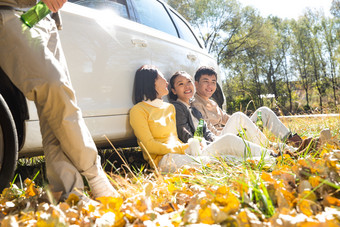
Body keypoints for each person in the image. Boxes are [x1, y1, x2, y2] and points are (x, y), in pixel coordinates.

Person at [0, 0, 118, 201]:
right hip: (9, 10)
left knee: (54, 107)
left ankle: (70, 193)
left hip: (44, 16)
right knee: (53, 85)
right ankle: (95, 175)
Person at [129, 65, 279, 173]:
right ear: (151, 82)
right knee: (216, 161)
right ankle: (265, 163)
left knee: (228, 141)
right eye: (161, 78)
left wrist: (190, 146)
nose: (165, 81)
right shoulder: (139, 111)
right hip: (164, 160)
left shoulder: (168, 108)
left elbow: (177, 137)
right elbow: (149, 146)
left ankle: (272, 156)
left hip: (187, 151)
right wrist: (184, 147)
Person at [191, 66, 303, 147]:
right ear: (196, 84)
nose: (210, 86)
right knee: (238, 116)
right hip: (221, 140)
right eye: (206, 81)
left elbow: (228, 119)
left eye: (213, 82)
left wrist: (248, 125)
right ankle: (271, 147)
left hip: (234, 134)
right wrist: (239, 131)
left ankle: (293, 141)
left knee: (263, 111)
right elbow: (208, 132)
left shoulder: (212, 103)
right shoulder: (195, 103)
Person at [168, 71, 215, 143]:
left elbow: (206, 131)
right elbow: (184, 134)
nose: (187, 86)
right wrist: (204, 144)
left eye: (189, 82)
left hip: (206, 144)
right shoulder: (176, 107)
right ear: (174, 91)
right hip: (195, 148)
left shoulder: (195, 110)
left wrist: (214, 140)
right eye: (181, 84)